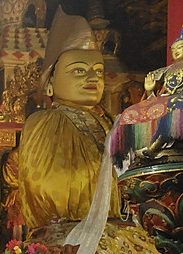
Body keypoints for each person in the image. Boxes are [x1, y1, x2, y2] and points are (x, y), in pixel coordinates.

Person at [17, 7, 119, 231]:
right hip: (67, 229)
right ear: (50, 82)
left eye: (99, 71)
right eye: (79, 71)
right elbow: (43, 183)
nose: (93, 78)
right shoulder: (45, 123)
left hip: (116, 228)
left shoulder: (110, 124)